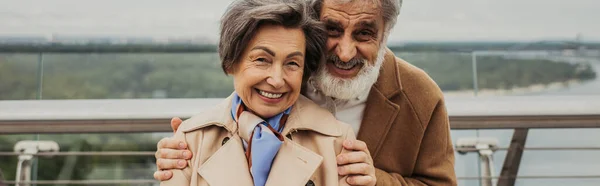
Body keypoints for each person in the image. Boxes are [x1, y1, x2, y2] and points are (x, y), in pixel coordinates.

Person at [156, 0, 457, 185]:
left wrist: (374, 180)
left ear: (386, 34)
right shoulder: (285, 68)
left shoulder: (421, 96)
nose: (345, 51)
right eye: (333, 30)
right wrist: (188, 146)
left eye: (365, 33)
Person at [160, 0, 356, 185]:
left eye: (292, 63)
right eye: (262, 60)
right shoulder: (190, 140)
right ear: (231, 62)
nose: (277, 80)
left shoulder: (337, 141)